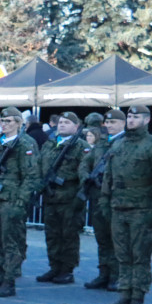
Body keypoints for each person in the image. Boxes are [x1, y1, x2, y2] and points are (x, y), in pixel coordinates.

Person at [100, 105, 152, 304]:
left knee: (139, 256)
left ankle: (137, 298)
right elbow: (107, 177)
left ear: (146, 120)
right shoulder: (118, 145)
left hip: (141, 209)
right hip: (118, 208)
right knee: (122, 255)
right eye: (129, 116)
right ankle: (124, 295)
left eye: (135, 116)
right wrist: (104, 201)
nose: (131, 120)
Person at [0, 107, 40, 297]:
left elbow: (31, 176)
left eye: (9, 121)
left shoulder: (25, 143)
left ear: (19, 123)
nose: (5, 124)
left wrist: (21, 201)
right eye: (2, 121)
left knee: (10, 242)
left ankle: (8, 280)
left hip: (11, 201)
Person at [35, 112, 87, 284]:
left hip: (69, 199)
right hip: (51, 198)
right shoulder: (50, 144)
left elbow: (84, 174)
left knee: (69, 236)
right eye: (60, 122)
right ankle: (54, 267)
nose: (62, 125)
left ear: (76, 126)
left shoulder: (81, 146)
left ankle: (67, 270)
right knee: (52, 235)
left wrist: (80, 198)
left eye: (67, 122)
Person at [80, 110, 127, 290]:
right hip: (98, 197)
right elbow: (86, 161)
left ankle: (116, 276)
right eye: (107, 122)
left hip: (115, 199)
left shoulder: (124, 142)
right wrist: (86, 176)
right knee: (102, 238)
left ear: (123, 123)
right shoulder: (102, 143)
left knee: (116, 239)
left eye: (113, 122)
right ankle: (104, 273)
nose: (109, 125)